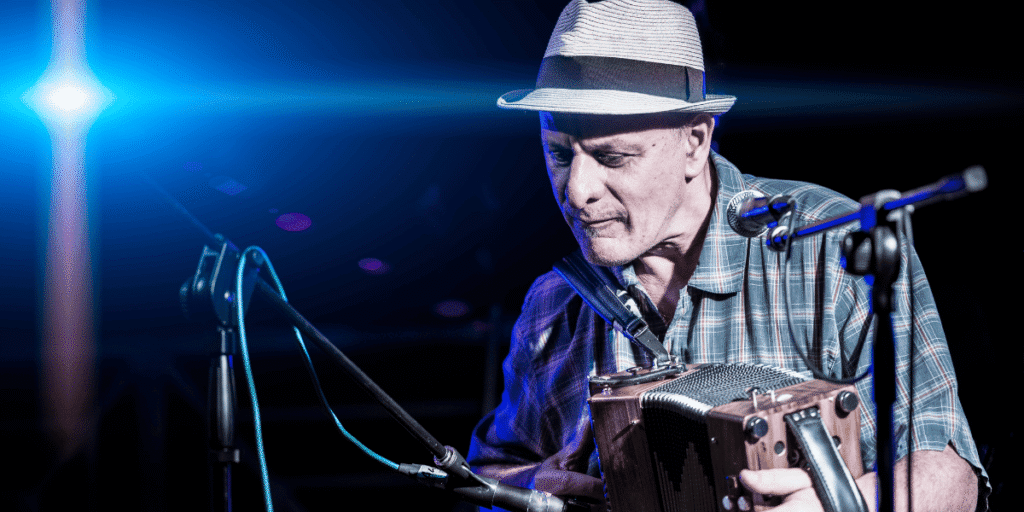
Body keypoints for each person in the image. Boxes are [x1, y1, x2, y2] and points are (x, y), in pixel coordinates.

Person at [467, 0, 989, 511]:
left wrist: (839, 502)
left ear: (695, 142)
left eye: (611, 157)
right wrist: (538, 482)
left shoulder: (829, 246)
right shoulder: (553, 306)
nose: (577, 189)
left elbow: (951, 475)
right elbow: (486, 473)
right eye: (559, 153)